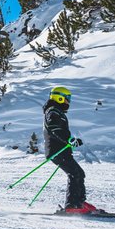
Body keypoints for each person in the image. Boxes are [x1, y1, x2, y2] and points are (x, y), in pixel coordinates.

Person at [42, 86, 96, 214]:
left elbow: (60, 131)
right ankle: (72, 205)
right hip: (57, 151)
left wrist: (70, 140)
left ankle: (79, 202)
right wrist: (69, 140)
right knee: (74, 174)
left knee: (79, 173)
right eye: (67, 99)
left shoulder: (57, 112)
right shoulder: (53, 112)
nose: (68, 102)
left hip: (62, 151)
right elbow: (56, 129)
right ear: (59, 98)